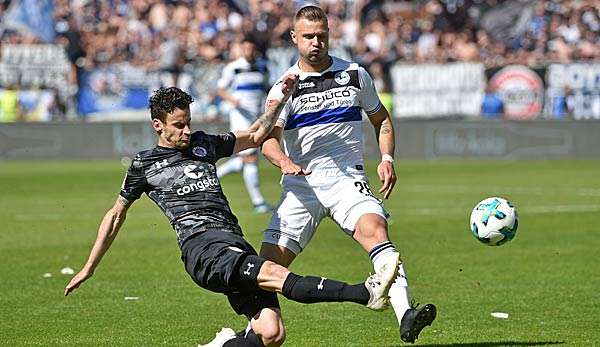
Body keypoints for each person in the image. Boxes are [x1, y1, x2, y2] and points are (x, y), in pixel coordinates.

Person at [64, 83, 393, 347]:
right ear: (158, 125)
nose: (186, 130)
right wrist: (89, 267)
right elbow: (115, 214)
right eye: (178, 126)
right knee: (277, 276)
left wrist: (279, 101)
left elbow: (254, 136)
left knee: (271, 333)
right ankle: (365, 293)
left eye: (189, 122)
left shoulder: (203, 143)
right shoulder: (144, 165)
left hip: (234, 243)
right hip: (204, 251)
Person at [259, 6, 436, 344]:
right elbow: (268, 142)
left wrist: (387, 158)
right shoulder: (284, 87)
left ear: (329, 36)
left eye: (321, 36)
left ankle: (405, 313)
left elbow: (381, 120)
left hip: (346, 180)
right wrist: (283, 162)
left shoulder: (354, 74)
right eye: (308, 37)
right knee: (265, 266)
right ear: (294, 38)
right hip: (302, 186)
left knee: (375, 229)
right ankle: (255, 333)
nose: (316, 43)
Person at [216, 37, 273, 213]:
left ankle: (209, 175)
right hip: (240, 117)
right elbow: (220, 89)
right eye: (246, 49)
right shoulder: (233, 67)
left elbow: (266, 87)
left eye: (251, 49)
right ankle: (258, 203)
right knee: (250, 158)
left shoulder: (263, 66)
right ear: (242, 49)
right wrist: (233, 100)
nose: (248, 52)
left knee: (242, 161)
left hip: (257, 117)